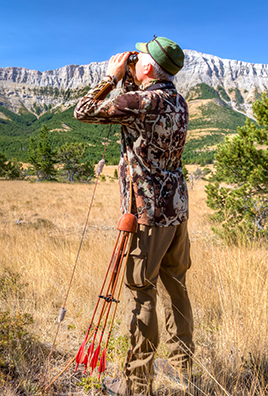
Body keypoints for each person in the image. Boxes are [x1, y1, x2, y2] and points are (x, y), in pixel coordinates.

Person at [74, 37, 194, 396]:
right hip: (177, 210)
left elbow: (83, 111)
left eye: (138, 56)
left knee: (142, 293)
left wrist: (110, 79)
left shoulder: (139, 101)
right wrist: (130, 78)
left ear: (146, 68)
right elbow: (138, 108)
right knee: (176, 286)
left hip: (147, 215)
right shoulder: (178, 101)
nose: (132, 57)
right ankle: (183, 369)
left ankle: (137, 384)